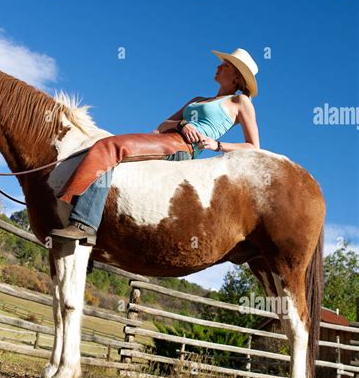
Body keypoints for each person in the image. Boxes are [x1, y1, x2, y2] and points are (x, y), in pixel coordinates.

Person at [50, 48, 260, 244]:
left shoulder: (240, 102)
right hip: (167, 137)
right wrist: (182, 124)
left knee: (109, 146)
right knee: (110, 151)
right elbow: (163, 124)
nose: (218, 67)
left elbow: (253, 146)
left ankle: (82, 223)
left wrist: (217, 144)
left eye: (225, 65)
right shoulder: (198, 99)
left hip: (181, 146)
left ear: (236, 77)